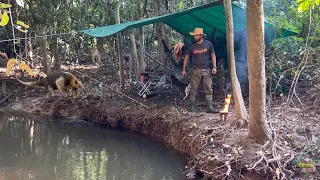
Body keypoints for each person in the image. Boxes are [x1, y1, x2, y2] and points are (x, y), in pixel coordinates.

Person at [182, 28, 217, 113]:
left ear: (201, 35)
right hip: (195, 70)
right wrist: (184, 69)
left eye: (196, 35)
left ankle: (210, 107)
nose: (195, 37)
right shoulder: (192, 46)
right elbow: (186, 57)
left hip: (206, 69)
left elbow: (213, 55)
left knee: (208, 88)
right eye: (194, 35)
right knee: (194, 89)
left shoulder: (208, 44)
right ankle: (193, 107)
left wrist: (214, 67)